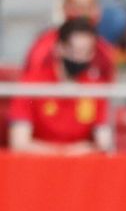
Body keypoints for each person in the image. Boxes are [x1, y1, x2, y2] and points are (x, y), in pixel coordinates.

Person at [8, 19, 113, 156]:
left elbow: (104, 145)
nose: (80, 58)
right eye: (75, 51)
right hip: (37, 167)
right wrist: (63, 154)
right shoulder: (31, 84)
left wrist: (82, 152)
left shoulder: (96, 89)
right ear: (59, 48)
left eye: (87, 52)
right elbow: (19, 143)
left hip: (80, 169)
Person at [23, 0, 116, 75]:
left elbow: (109, 85)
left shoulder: (104, 52)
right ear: (65, 7)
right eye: (77, 7)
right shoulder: (44, 48)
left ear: (97, 10)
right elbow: (32, 85)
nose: (82, 13)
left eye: (88, 7)